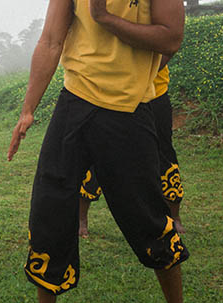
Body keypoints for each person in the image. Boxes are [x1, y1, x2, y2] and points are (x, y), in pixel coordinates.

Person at [7, 0, 206, 303]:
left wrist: (105, 16)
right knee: (49, 209)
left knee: (146, 213)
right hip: (75, 106)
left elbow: (171, 37)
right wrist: (30, 108)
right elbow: (51, 41)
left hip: (129, 110)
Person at [79, 62, 185, 237]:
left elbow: (167, 47)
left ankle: (174, 215)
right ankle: (81, 217)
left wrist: (137, 70)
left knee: (163, 153)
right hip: (110, 94)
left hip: (154, 94)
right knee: (99, 152)